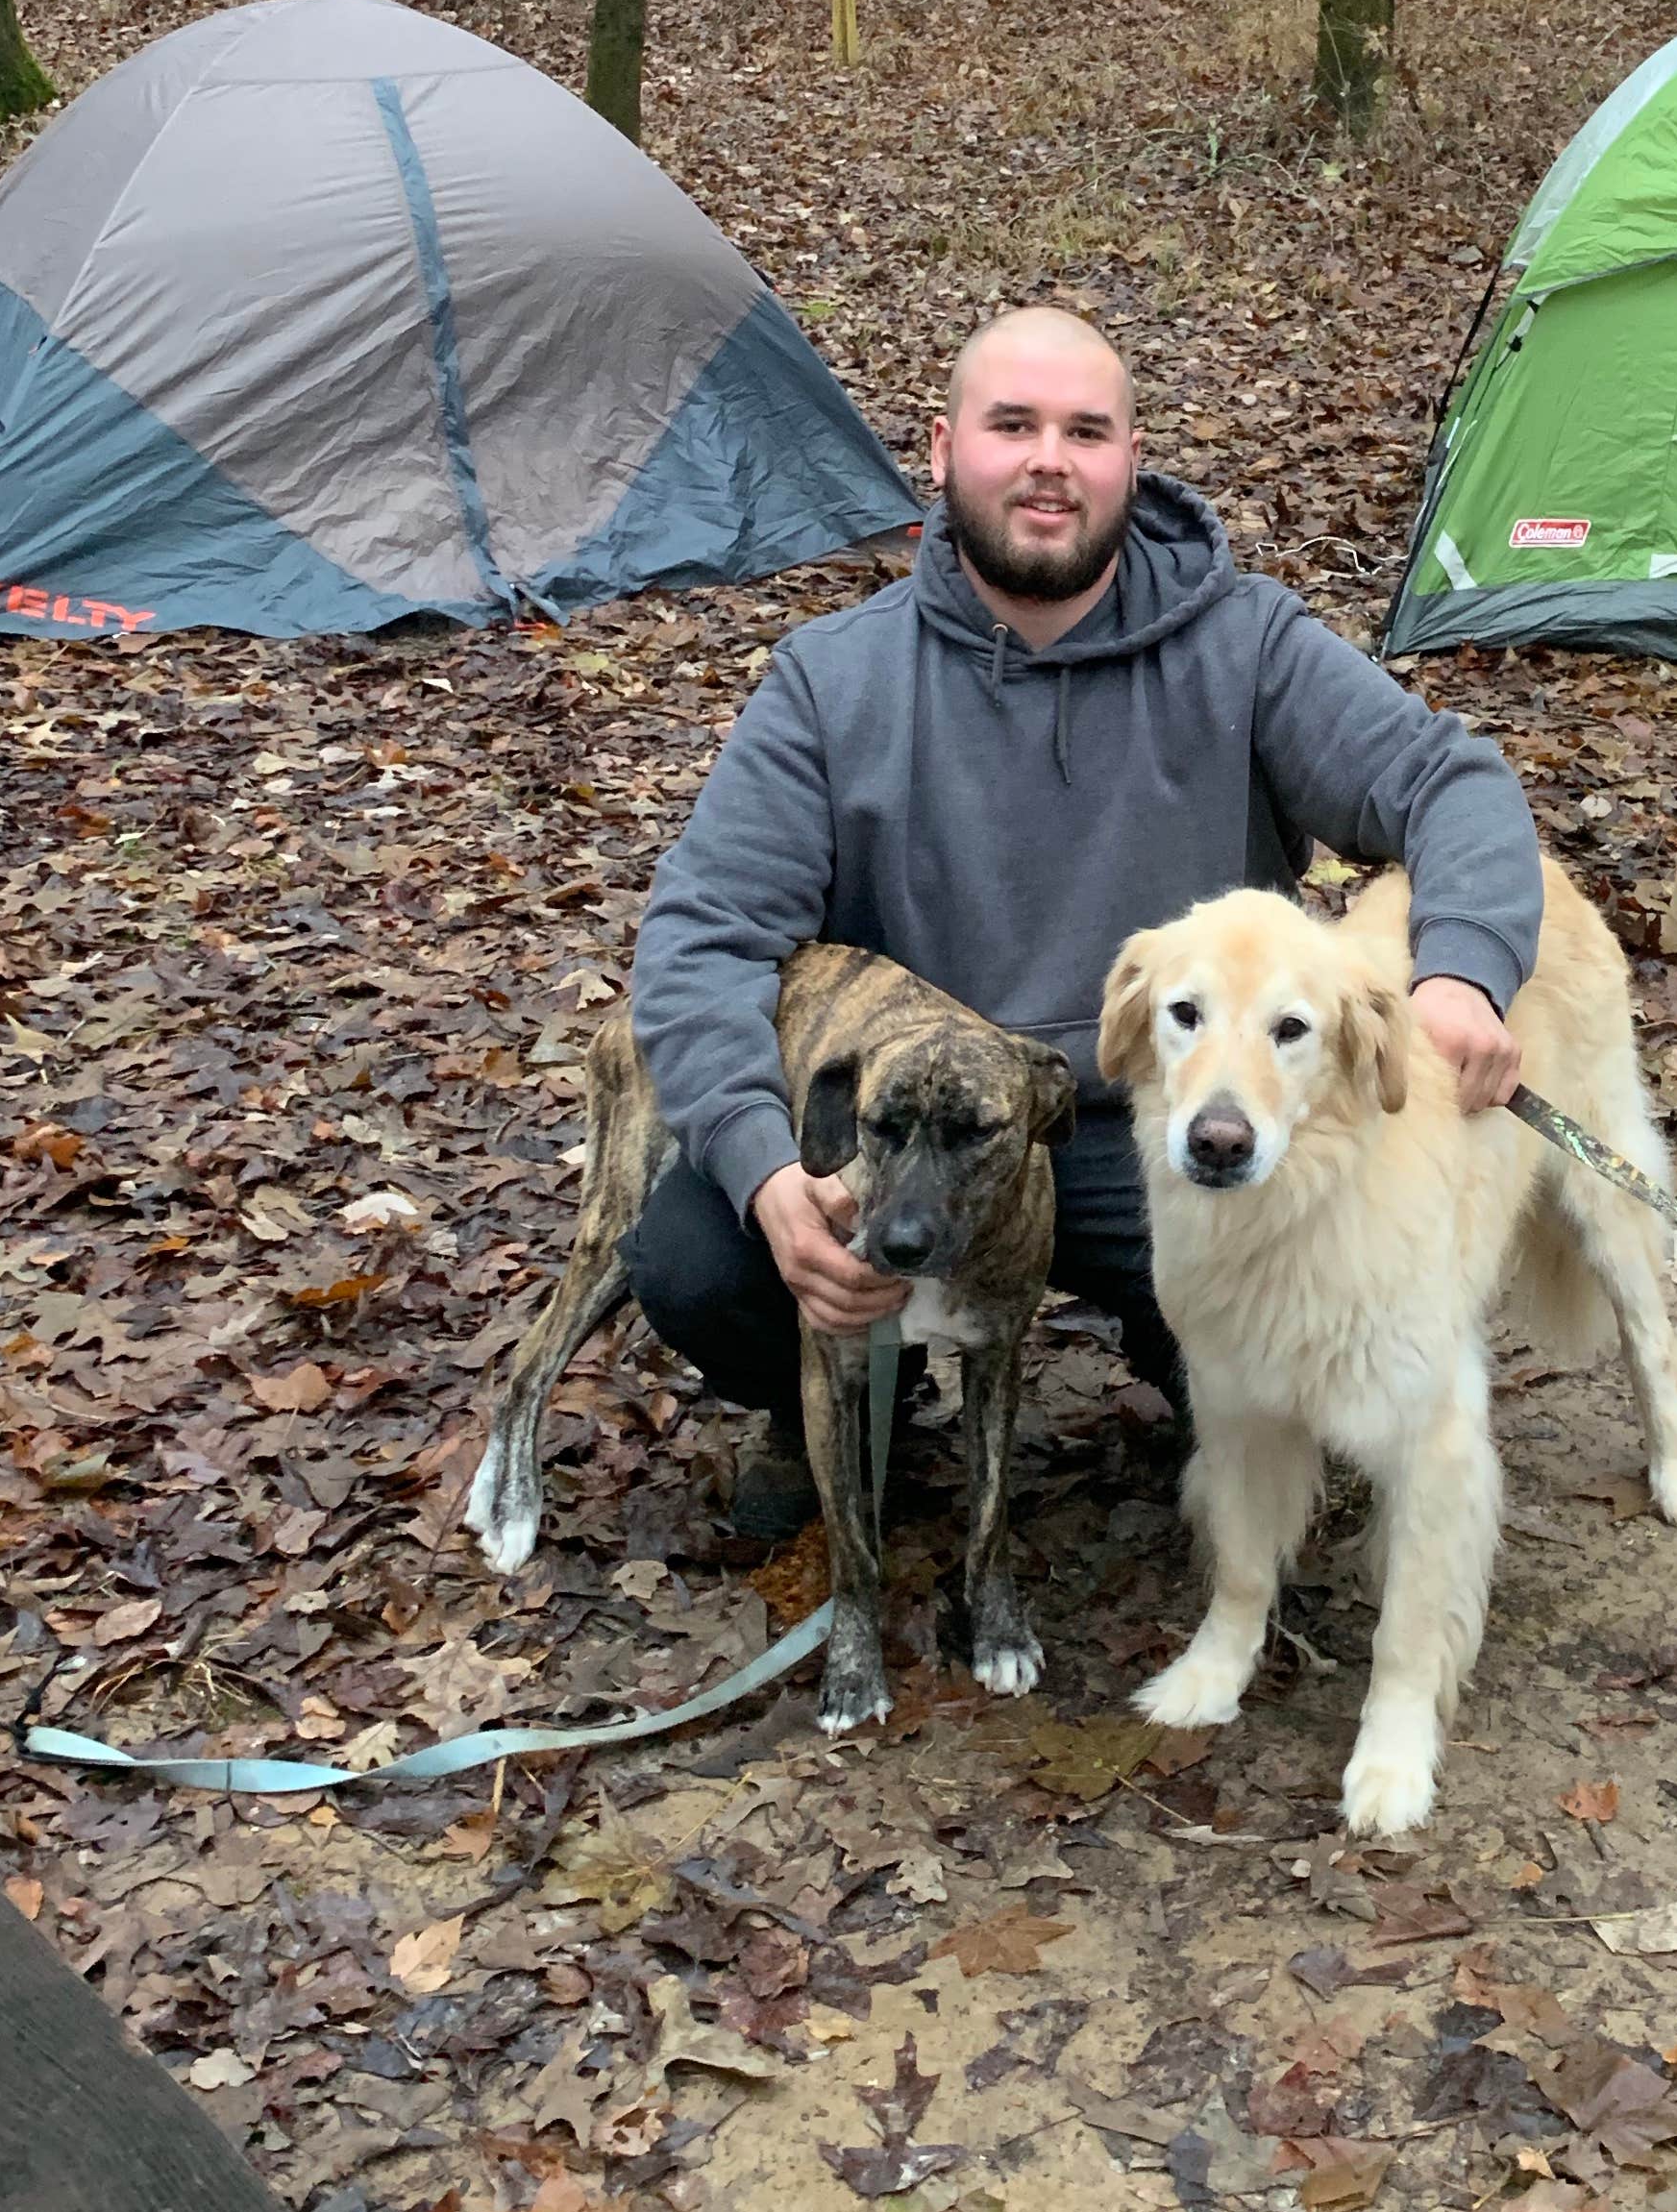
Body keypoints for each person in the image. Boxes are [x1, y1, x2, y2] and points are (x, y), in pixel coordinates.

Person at [623, 304, 1543, 1536]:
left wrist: (1465, 972)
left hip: (1159, 1121)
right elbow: (703, 935)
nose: (1050, 459)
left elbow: (1453, 783)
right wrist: (764, 1166)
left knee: (1296, 1420)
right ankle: (838, 1402)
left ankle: (1197, 1372)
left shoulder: (1245, 644)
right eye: (1013, 425)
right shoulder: (831, 685)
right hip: (914, 1127)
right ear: (943, 452)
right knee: (695, 1257)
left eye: (1085, 431)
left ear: (1130, 458)